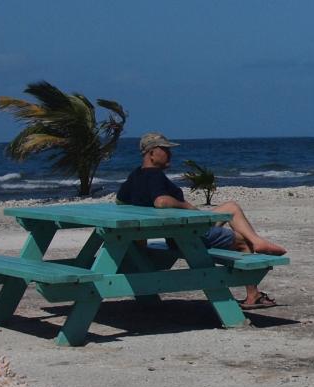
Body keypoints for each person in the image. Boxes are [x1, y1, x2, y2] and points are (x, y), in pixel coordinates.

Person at [116, 132, 288, 309]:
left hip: (169, 233)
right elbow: (161, 202)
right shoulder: (155, 176)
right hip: (182, 236)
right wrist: (187, 206)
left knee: (231, 207)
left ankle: (257, 241)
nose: (170, 154)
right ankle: (253, 293)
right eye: (165, 149)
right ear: (151, 153)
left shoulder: (135, 176)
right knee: (242, 241)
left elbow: (120, 202)